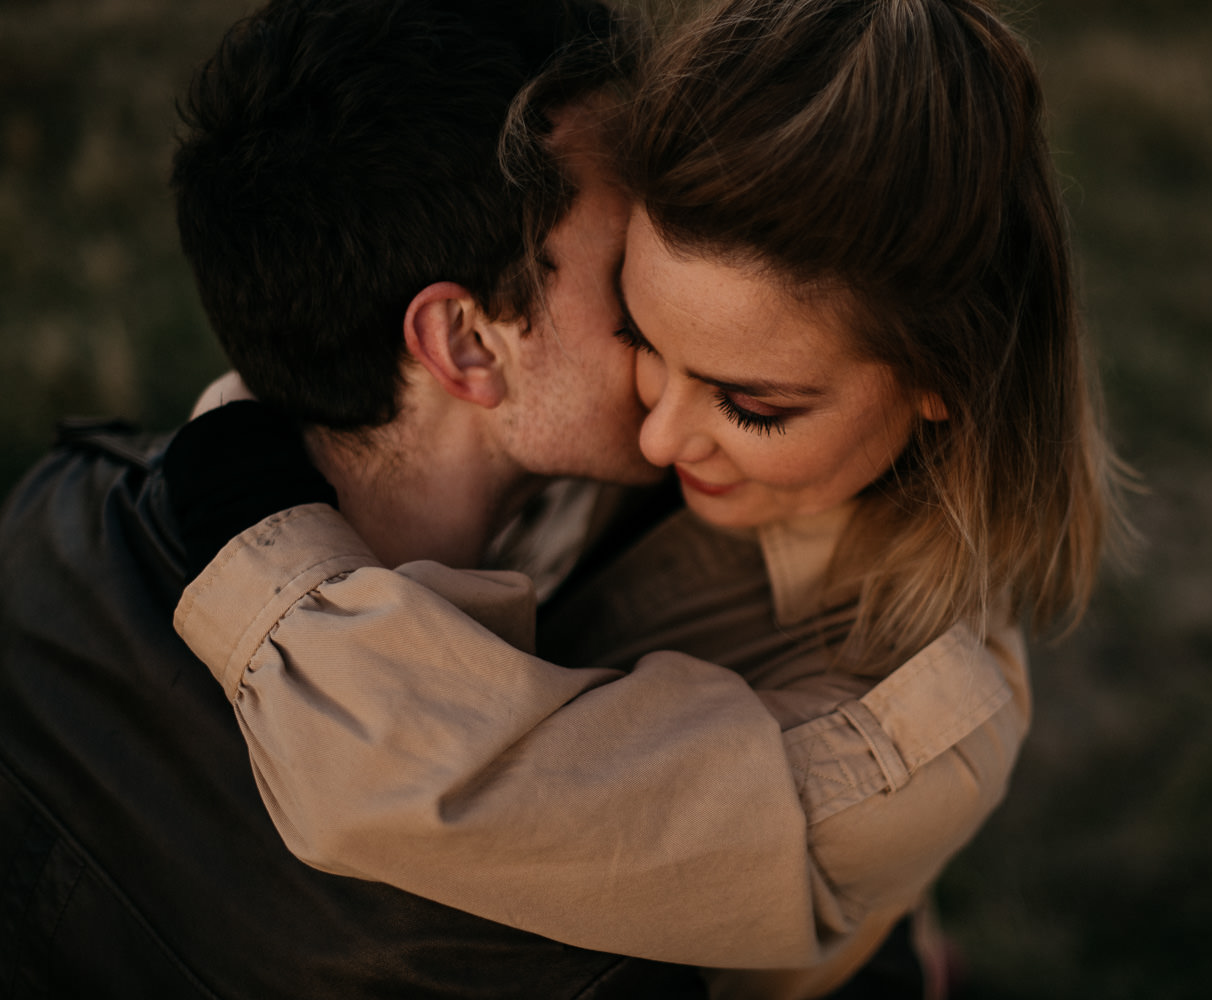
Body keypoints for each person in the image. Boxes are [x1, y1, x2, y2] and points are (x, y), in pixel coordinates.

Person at [163, 0, 1125, 997]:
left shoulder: (912, 728)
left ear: (945, 381)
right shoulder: (639, 443)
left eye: (750, 403)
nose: (661, 434)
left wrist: (249, 520)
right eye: (641, 329)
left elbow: (426, 787)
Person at [0, 0, 707, 995]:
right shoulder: (540, 946)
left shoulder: (53, 511)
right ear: (465, 342)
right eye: (633, 267)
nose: (690, 289)